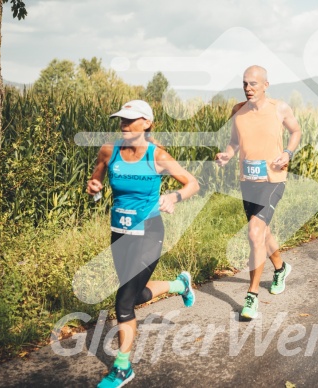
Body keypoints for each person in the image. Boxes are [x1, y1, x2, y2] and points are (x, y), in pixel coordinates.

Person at [87, 100, 200, 388]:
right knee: (135, 296)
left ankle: (123, 368)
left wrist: (173, 197)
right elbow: (95, 181)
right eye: (121, 119)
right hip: (119, 233)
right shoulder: (108, 151)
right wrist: (95, 190)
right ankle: (179, 285)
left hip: (149, 234)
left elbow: (192, 183)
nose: (124, 124)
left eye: (130, 119)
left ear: (146, 123)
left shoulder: (157, 155)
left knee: (123, 302)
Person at [215, 65, 301, 319]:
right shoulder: (238, 111)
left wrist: (287, 153)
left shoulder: (279, 108)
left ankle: (251, 297)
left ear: (266, 85)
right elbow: (234, 142)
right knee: (262, 232)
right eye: (244, 84)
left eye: (253, 83)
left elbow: (296, 131)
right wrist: (227, 155)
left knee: (254, 232)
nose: (248, 88)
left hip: (273, 179)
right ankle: (281, 268)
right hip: (248, 181)